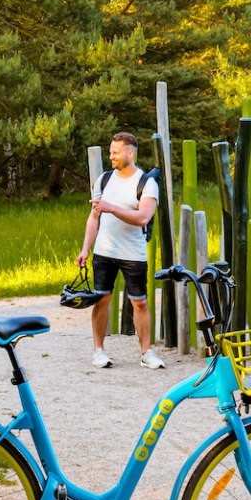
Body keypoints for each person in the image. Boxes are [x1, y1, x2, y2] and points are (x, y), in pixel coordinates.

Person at [77, 132, 164, 370]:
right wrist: (86, 248)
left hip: (133, 253)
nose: (111, 156)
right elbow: (93, 218)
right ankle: (99, 351)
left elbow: (143, 217)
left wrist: (111, 208)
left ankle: (146, 352)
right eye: (110, 152)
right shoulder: (104, 180)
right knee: (101, 299)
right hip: (104, 251)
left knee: (140, 303)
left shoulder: (147, 183)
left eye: (116, 152)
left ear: (130, 153)